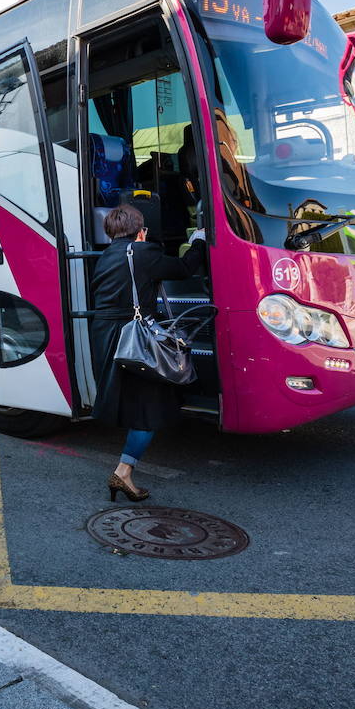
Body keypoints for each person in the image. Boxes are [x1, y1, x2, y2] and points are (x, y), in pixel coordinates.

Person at [89, 202, 207, 502]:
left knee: (137, 403)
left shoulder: (104, 257)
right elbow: (183, 269)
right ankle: (123, 472)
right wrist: (198, 242)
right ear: (141, 232)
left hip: (107, 335)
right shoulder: (143, 253)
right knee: (147, 410)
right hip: (136, 339)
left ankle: (124, 471)